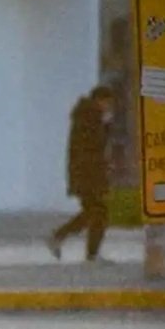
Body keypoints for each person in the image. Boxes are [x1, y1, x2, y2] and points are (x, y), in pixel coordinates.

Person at [47, 85, 115, 262]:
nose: (109, 107)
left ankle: (63, 238)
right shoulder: (90, 117)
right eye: (107, 102)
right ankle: (68, 241)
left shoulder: (86, 115)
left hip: (85, 172)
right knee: (97, 211)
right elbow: (95, 146)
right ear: (100, 100)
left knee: (94, 211)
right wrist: (106, 126)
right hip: (88, 173)